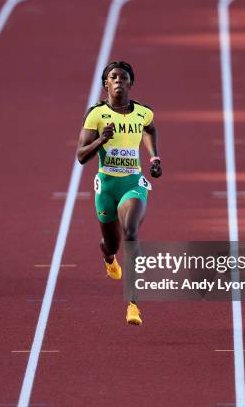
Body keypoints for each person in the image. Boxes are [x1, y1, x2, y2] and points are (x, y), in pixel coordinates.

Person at [77, 61, 162, 325]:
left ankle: (133, 305)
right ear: (105, 84)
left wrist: (154, 157)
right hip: (107, 187)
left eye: (123, 78)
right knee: (111, 244)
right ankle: (108, 257)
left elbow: (150, 129)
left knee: (132, 233)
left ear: (130, 83)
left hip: (132, 184)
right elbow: (81, 156)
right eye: (113, 77)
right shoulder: (96, 115)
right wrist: (101, 140)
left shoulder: (143, 113)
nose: (118, 81)